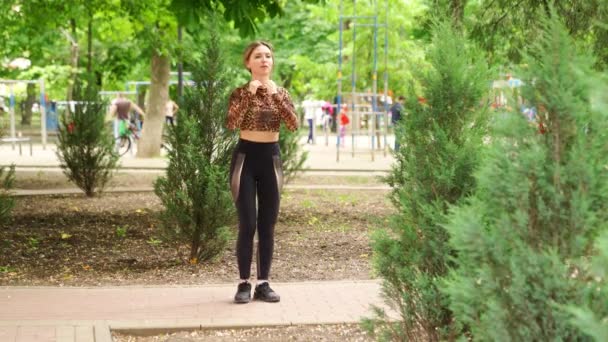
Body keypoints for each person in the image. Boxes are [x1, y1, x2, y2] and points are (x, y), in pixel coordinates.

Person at [225, 41, 299, 304]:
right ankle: (244, 283)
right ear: (248, 63)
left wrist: (276, 95)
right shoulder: (239, 93)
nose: (264, 60)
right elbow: (231, 123)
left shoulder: (282, 92)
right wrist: (249, 94)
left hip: (271, 160)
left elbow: (293, 124)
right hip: (245, 159)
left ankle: (263, 283)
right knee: (248, 223)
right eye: (258, 56)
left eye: (268, 56)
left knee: (267, 224)